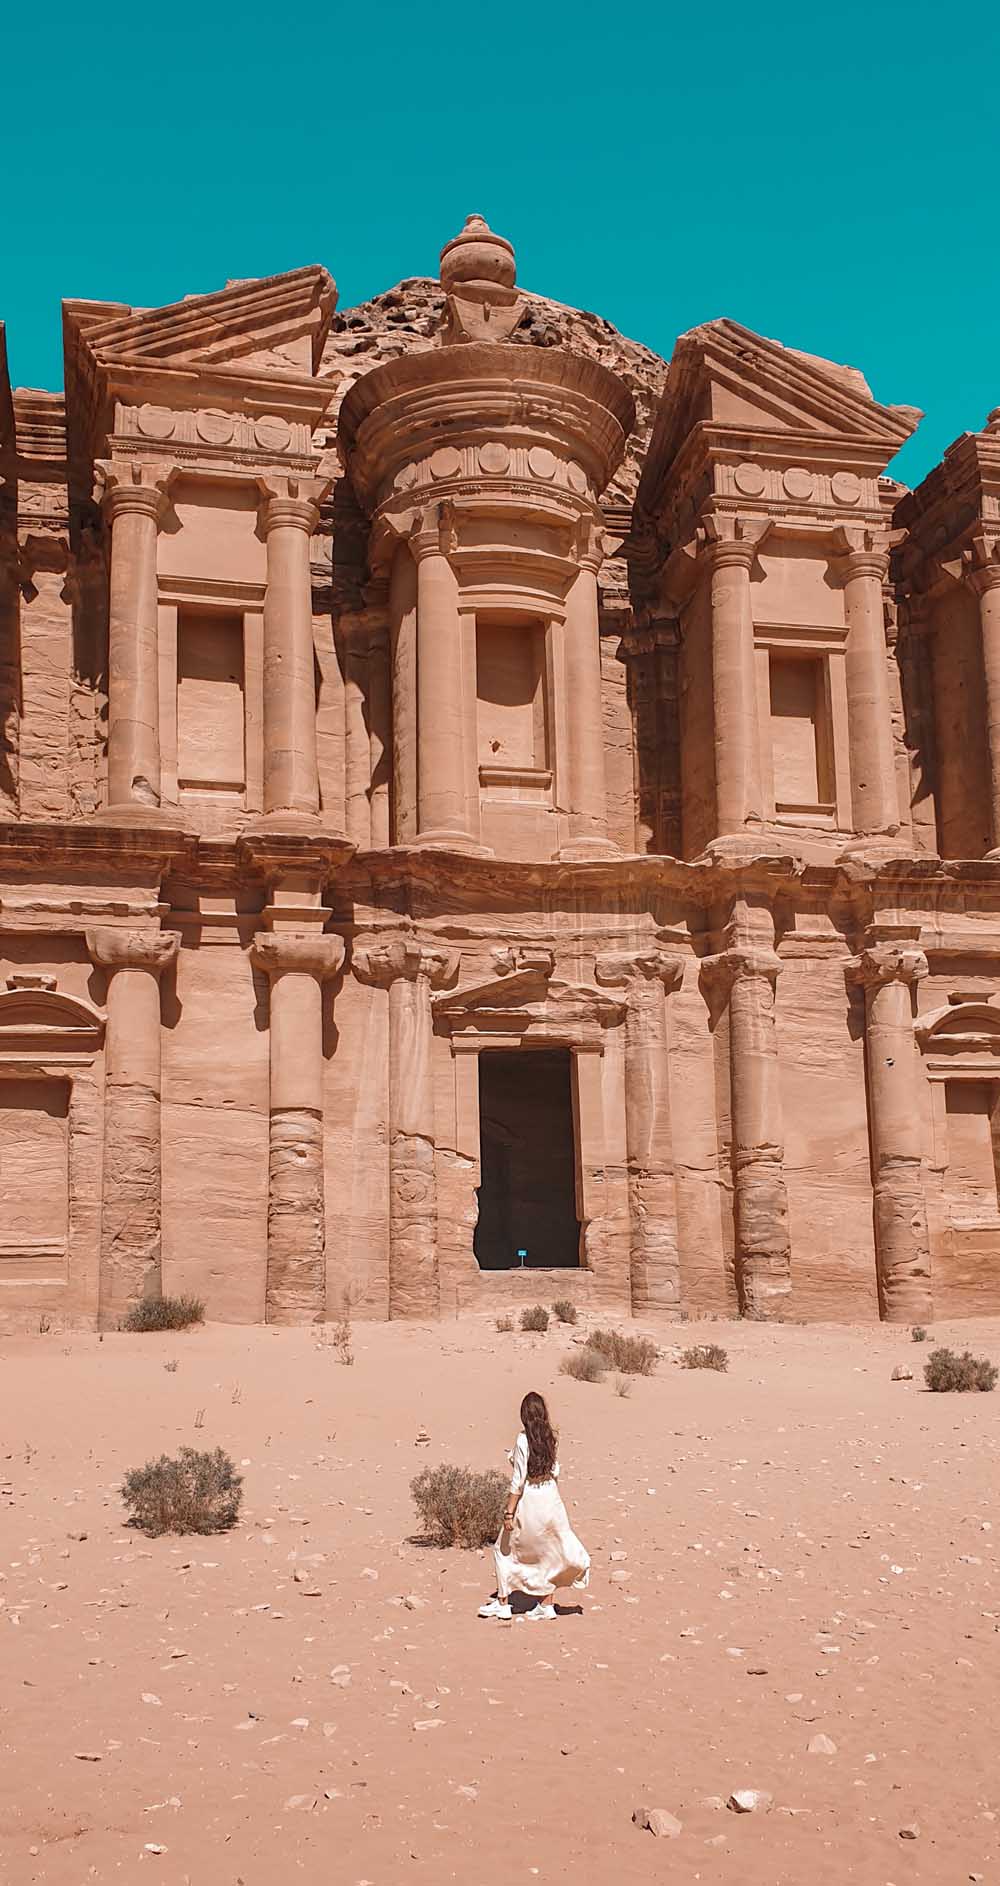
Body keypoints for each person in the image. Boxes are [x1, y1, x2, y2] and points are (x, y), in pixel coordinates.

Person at [478, 1390, 590, 1621]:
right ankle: (546, 1606)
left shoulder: (522, 1439)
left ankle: (503, 1603)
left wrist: (509, 1512)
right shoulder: (551, 1437)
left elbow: (518, 1480)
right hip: (551, 1498)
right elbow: (554, 1469)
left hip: (530, 1499)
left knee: (503, 1550)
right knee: (548, 1552)